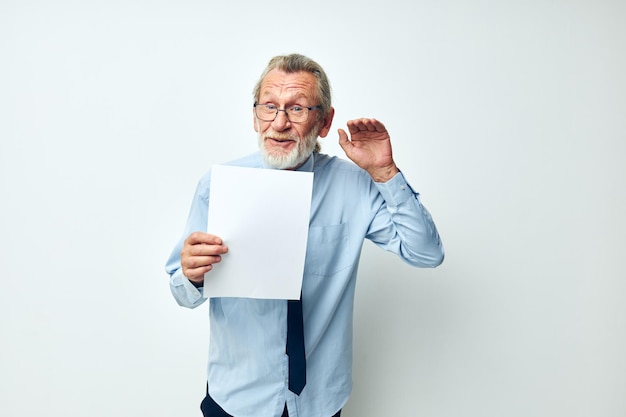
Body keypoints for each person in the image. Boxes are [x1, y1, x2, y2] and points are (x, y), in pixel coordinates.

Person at [165, 53, 444, 417]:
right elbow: (181, 293)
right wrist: (191, 275)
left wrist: (385, 172)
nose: (279, 123)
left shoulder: (354, 185)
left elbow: (425, 253)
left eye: (297, 109)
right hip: (236, 398)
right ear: (254, 116)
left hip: (320, 400)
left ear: (324, 121)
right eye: (269, 107)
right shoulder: (218, 184)